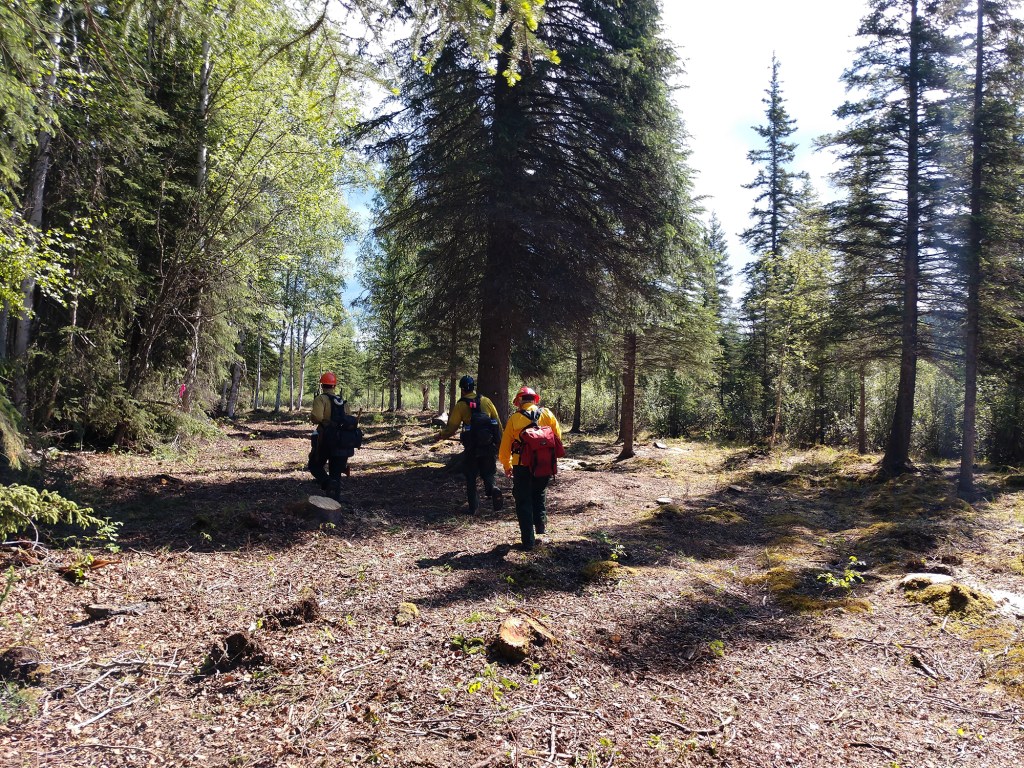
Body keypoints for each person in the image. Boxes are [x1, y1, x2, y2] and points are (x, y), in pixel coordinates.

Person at [499, 386, 563, 550]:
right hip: (544, 463)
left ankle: (528, 541)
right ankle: (540, 525)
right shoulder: (547, 413)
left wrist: (506, 465)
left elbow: (505, 446)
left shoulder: (514, 419)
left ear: (519, 401)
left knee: (523, 500)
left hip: (521, 465)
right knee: (539, 492)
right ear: (535, 399)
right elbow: (557, 437)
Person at [434, 375, 504, 514]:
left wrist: (441, 435)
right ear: (473, 387)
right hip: (488, 445)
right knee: (489, 473)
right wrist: (499, 443)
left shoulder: (461, 405)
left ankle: (474, 507)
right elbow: (498, 423)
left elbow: (452, 427)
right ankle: (493, 490)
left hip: (472, 447)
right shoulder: (486, 401)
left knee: (471, 476)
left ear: (462, 389)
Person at [309, 372, 362, 501]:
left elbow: (317, 417)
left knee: (314, 465)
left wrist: (323, 422)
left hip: (325, 439)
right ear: (334, 386)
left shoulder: (320, 399)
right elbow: (348, 419)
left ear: (322, 385)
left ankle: (327, 483)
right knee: (336, 472)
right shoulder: (342, 401)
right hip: (342, 441)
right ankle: (334, 501)